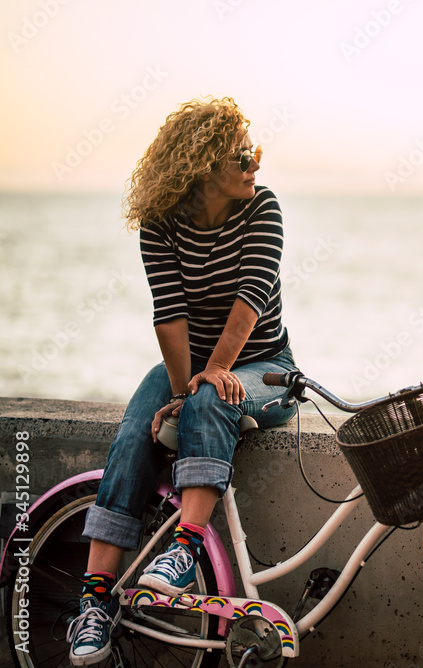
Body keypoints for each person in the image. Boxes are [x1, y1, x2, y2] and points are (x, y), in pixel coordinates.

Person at [66, 97, 299, 665]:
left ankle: (184, 548)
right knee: (134, 435)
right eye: (242, 155)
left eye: (255, 151)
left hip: (267, 363)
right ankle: (94, 605)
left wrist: (211, 376)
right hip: (190, 362)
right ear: (202, 166)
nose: (255, 163)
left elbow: (249, 304)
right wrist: (177, 390)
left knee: (207, 398)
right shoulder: (161, 223)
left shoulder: (262, 209)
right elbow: (168, 314)